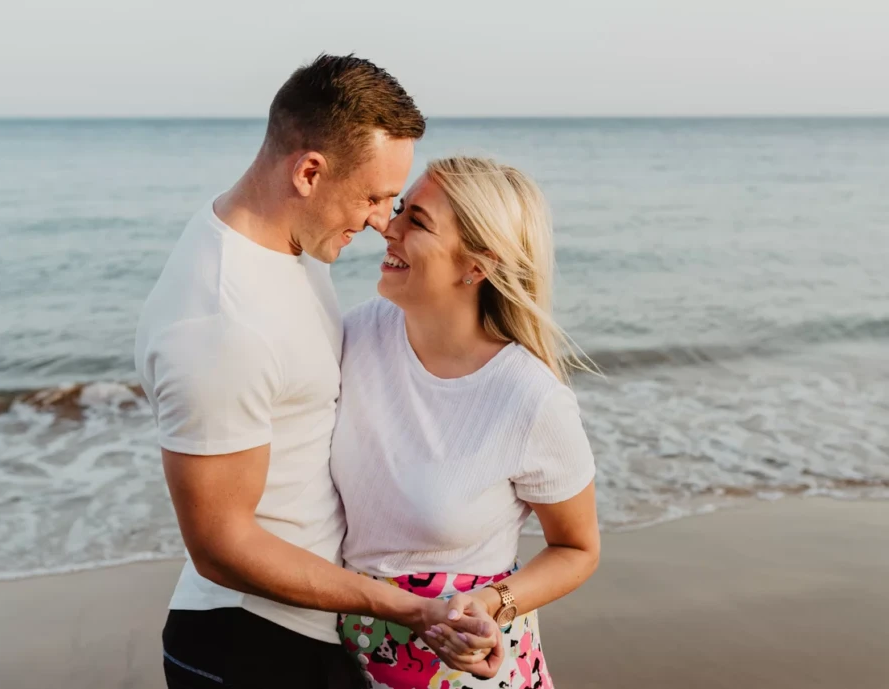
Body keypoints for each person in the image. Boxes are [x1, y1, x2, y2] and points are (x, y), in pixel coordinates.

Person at [135, 56, 498, 689]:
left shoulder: (286, 246)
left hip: (310, 625)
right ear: (308, 171)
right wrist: (405, 607)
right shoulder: (222, 325)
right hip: (248, 643)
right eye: (374, 197)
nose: (383, 219)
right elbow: (220, 547)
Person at [331, 157, 602, 688]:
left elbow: (578, 549)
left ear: (476, 266)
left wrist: (493, 603)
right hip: (345, 646)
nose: (388, 226)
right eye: (400, 208)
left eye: (418, 221)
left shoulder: (530, 398)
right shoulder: (356, 336)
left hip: (467, 658)